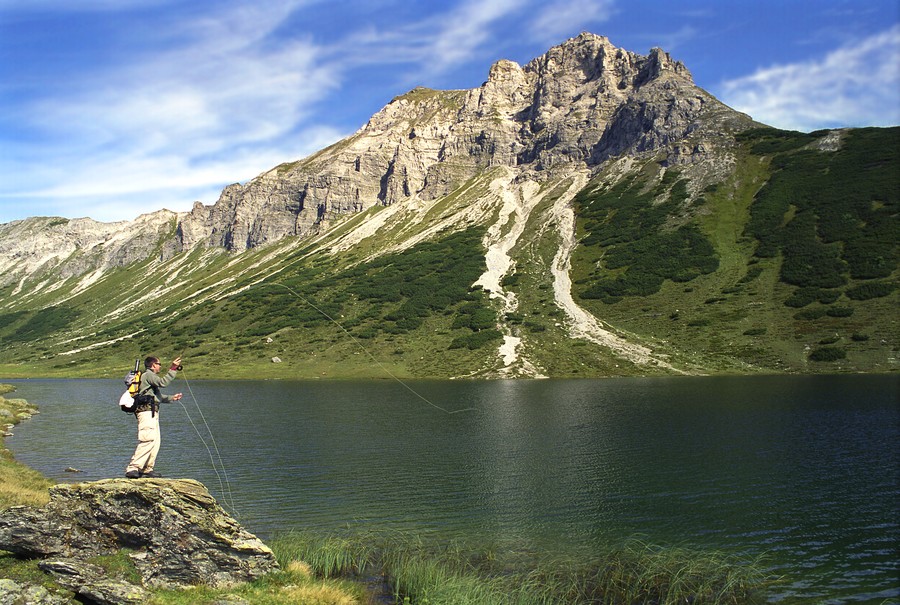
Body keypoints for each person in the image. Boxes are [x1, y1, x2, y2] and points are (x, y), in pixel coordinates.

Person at [125, 355, 182, 478]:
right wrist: (173, 369)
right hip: (146, 412)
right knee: (147, 439)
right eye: (159, 364)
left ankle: (147, 468)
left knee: (155, 442)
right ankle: (133, 468)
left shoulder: (149, 378)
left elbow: (158, 398)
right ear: (153, 365)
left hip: (152, 412)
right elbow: (163, 383)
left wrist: (173, 398)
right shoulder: (148, 375)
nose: (160, 366)